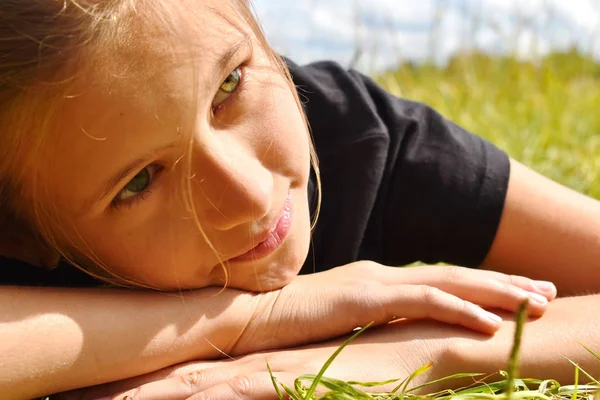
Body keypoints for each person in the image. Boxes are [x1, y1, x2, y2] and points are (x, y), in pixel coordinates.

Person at [0, 0, 598, 399]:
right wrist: (250, 321)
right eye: (139, 181)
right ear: (22, 237)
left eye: (229, 86)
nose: (249, 195)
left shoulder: (355, 138)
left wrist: (423, 351)